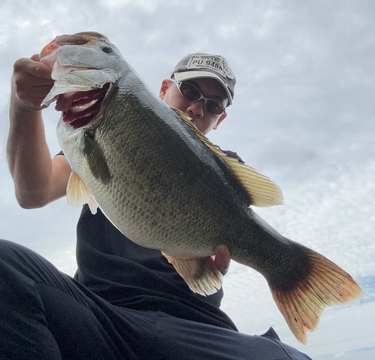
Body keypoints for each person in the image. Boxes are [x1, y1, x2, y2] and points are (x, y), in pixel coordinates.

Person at [2, 48, 312, 360]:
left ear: (220, 118)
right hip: (100, 317)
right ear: (164, 89)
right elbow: (33, 193)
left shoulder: (223, 167)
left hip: (194, 329)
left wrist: (208, 266)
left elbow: (211, 265)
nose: (196, 108)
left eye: (213, 104)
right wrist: (24, 107)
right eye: (189, 90)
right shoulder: (98, 133)